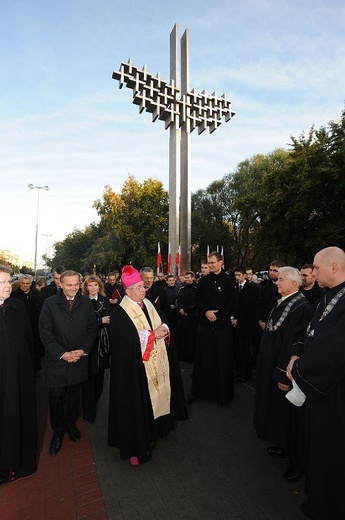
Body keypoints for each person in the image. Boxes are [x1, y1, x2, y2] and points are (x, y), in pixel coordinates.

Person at [108, 265, 188, 466]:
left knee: (155, 399)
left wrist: (164, 329)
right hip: (134, 371)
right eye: (139, 287)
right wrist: (153, 335)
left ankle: (156, 430)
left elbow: (164, 322)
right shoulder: (120, 313)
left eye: (144, 286)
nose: (144, 290)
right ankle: (136, 445)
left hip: (156, 363)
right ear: (128, 291)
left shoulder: (149, 304)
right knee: (137, 404)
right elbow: (124, 345)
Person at [286, 247, 345, 520]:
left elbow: (333, 349)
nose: (313, 273)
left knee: (329, 452)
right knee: (317, 449)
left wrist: (299, 368)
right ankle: (318, 501)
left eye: (317, 268)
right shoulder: (327, 296)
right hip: (319, 390)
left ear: (334, 267)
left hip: (333, 394)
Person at [254, 267, 310, 483]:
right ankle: (282, 444)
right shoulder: (284, 301)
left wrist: (283, 375)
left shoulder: (300, 307)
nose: (276, 282)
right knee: (277, 411)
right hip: (270, 363)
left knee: (288, 415)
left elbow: (293, 345)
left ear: (294, 284)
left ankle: (294, 460)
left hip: (283, 369)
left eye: (281, 280)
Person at [39, 270, 97, 455]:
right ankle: (58, 431)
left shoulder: (86, 302)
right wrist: (62, 354)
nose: (73, 288)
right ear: (61, 284)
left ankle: (71, 424)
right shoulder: (49, 304)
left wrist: (83, 350)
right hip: (58, 361)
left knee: (74, 397)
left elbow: (91, 329)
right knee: (56, 398)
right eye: (69, 284)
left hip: (79, 359)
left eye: (76, 284)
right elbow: (45, 333)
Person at [0, 265, 37, 485]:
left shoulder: (17, 307)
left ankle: (17, 465)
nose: (8, 286)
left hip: (18, 378)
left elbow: (28, 341)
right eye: (2, 283)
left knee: (17, 419)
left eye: (8, 281)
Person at [189, 252, 238, 405]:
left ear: (221, 262)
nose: (210, 265)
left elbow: (233, 302)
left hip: (222, 328)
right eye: (208, 263)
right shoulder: (203, 281)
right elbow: (197, 299)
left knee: (222, 361)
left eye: (212, 263)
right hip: (205, 327)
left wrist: (218, 314)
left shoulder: (230, 281)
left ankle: (222, 396)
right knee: (203, 360)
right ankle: (200, 393)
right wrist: (206, 312)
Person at [81, 275, 112, 422]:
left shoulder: (105, 300)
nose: (93, 288)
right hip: (88, 342)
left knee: (100, 375)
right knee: (89, 376)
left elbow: (110, 318)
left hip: (102, 342)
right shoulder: (82, 302)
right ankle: (89, 410)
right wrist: (100, 320)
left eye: (95, 285)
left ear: (99, 287)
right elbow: (83, 323)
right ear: (86, 288)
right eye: (90, 285)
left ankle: (96, 401)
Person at [231, 266, 261, 382]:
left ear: (245, 275)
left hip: (248, 324)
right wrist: (232, 318)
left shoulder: (254, 288)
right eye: (235, 275)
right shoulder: (233, 288)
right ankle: (238, 371)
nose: (237, 277)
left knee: (246, 350)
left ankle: (246, 373)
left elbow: (253, 307)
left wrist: (239, 320)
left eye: (239, 275)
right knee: (237, 349)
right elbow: (233, 304)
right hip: (235, 324)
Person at [11, 273, 41, 371]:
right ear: (20, 283)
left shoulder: (37, 294)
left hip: (34, 327)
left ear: (31, 284)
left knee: (35, 348)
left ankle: (35, 369)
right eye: (23, 283)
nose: (25, 285)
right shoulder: (13, 295)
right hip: (19, 328)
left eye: (27, 283)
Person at [175, 271, 198, 362]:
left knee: (192, 338)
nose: (187, 279)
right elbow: (177, 301)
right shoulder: (182, 289)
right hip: (182, 317)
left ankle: (192, 357)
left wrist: (187, 310)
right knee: (182, 337)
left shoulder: (197, 289)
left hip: (192, 317)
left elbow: (196, 303)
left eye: (189, 277)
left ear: (193, 278)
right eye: (186, 277)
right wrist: (180, 309)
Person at [256, 260, 285, 331]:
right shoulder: (264, 287)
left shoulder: (285, 288)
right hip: (264, 324)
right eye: (270, 270)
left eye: (275, 270)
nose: (272, 273)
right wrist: (260, 321)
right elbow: (258, 305)